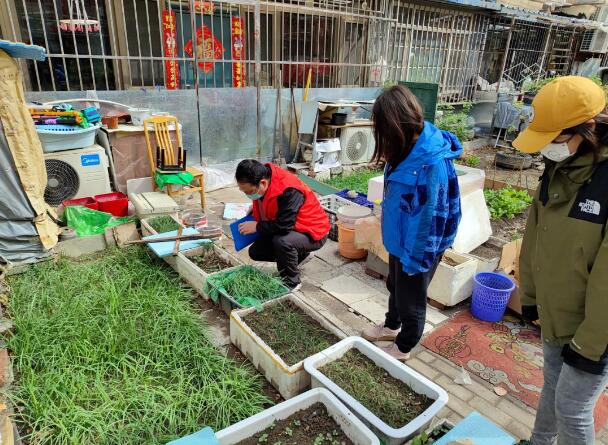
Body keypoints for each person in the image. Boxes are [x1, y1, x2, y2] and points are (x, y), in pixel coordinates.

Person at [513, 76, 608, 445]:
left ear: (587, 128)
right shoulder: (560, 166)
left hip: (596, 330)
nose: (547, 148)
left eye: (554, 138)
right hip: (556, 312)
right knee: (552, 387)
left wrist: (591, 345)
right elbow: (535, 233)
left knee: (572, 408)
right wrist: (531, 296)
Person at [361, 85, 463, 361]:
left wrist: (416, 258)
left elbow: (430, 219)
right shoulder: (404, 148)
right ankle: (391, 326)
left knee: (412, 299)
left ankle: (404, 346)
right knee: (395, 287)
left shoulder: (430, 163)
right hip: (400, 238)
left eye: (381, 127)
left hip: (418, 246)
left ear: (395, 124)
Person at [235, 160, 330, 291]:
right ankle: (300, 256)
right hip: (293, 227)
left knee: (282, 241)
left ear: (263, 183)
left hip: (314, 232)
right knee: (256, 252)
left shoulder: (289, 189)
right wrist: (257, 207)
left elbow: (284, 225)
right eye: (245, 192)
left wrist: (257, 227)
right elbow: (272, 206)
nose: (249, 195)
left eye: (250, 192)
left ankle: (292, 282)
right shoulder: (264, 177)